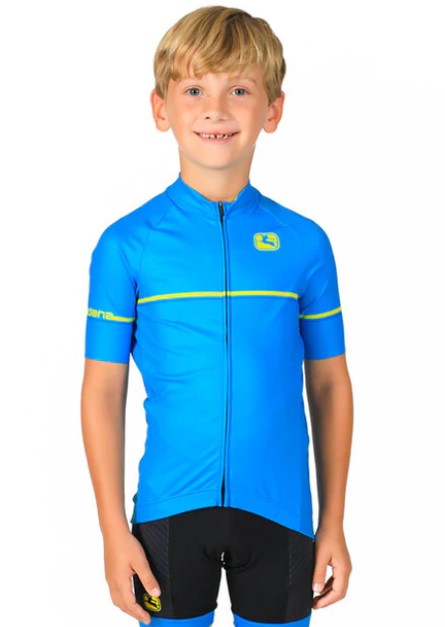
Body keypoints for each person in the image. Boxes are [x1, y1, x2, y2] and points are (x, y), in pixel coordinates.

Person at [81, 6, 353, 627]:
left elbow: (330, 384)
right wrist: (112, 532)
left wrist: (333, 521)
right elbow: (102, 390)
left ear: (273, 110)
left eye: (239, 90)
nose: (216, 109)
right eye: (195, 90)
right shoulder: (127, 245)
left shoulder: (305, 243)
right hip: (168, 515)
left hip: (282, 513)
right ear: (160, 108)